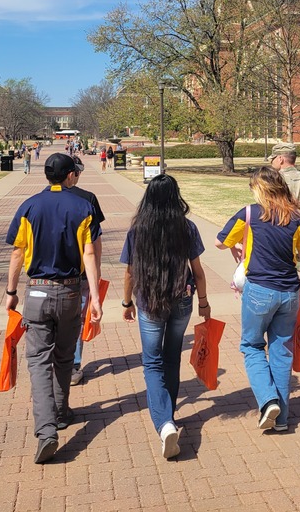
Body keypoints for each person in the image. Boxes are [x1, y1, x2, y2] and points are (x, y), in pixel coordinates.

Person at [4, 153, 102, 464]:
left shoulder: (29, 206)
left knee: (38, 362)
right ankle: (61, 411)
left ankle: (47, 430)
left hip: (36, 292)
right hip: (71, 291)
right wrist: (96, 297)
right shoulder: (83, 207)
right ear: (70, 175)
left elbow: (18, 254)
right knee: (64, 356)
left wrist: (11, 292)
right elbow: (89, 255)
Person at [216, 166, 300, 433]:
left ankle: (268, 400)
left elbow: (220, 242)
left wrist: (238, 244)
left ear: (259, 189)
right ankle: (281, 419)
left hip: (259, 290)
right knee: (282, 352)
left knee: (252, 346)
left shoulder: (249, 214)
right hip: (289, 292)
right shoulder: (295, 219)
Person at [120, 174, 210, 458]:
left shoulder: (138, 230)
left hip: (150, 301)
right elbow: (197, 270)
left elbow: (130, 273)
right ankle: (167, 415)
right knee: (172, 358)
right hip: (182, 300)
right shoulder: (187, 227)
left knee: (152, 363)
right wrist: (204, 303)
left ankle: (164, 423)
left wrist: (126, 303)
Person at [64, 156, 106, 385]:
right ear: (74, 174)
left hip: (44, 277)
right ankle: (72, 365)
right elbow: (95, 242)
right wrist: (96, 272)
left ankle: (56, 364)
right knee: (77, 321)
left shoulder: (36, 201)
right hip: (79, 272)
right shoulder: (88, 199)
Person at [268, 142, 300, 293]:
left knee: (280, 281)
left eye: (272, 159)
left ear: (280, 159)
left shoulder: (273, 181)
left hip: (279, 241)